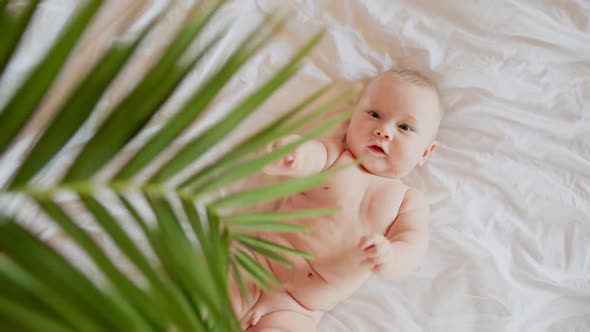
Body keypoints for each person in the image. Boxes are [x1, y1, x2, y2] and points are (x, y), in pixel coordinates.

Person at [231, 68, 443, 331]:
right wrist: (290, 156)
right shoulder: (334, 157)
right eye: (374, 114)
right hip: (254, 269)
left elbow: (413, 247)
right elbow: (308, 155)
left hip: (299, 310)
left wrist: (390, 258)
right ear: (352, 118)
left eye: (405, 127)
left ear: (426, 152)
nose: (384, 130)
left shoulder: (408, 201)